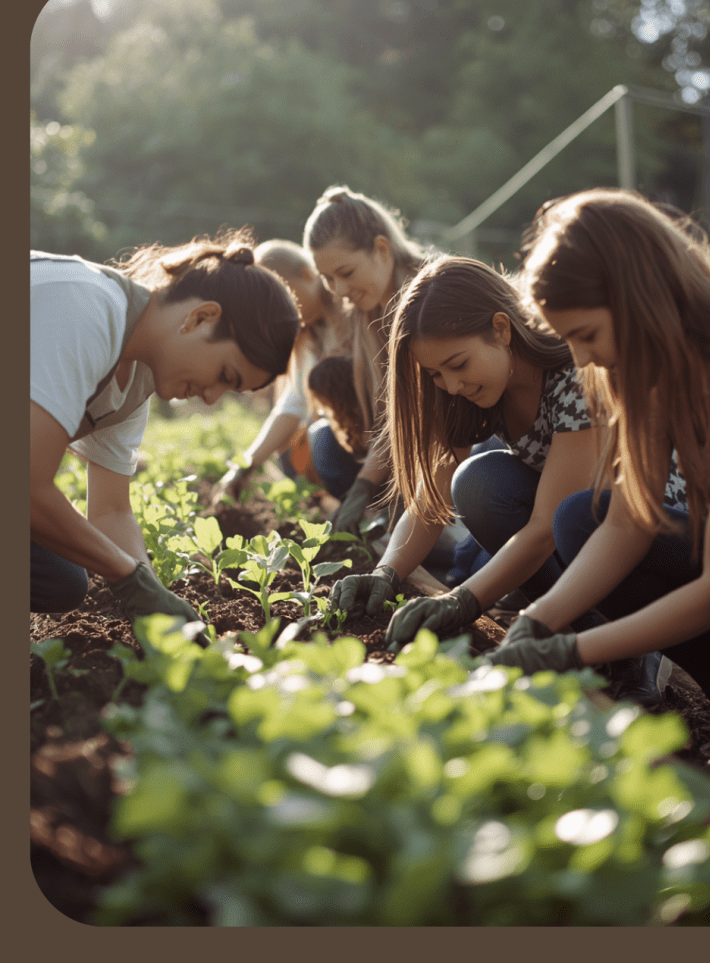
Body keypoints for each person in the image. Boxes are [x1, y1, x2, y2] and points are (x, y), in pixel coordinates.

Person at [484, 189, 710, 744]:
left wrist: (570, 651)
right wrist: (538, 620)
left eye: (587, 335)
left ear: (638, 298)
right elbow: (627, 523)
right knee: (584, 518)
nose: (579, 359)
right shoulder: (652, 372)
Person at [327, 256, 661, 697]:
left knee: (558, 511)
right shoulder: (471, 390)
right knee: (479, 483)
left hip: (645, 532)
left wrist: (463, 600)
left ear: (501, 330)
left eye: (458, 364)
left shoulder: (574, 375)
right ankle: (582, 627)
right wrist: (387, 573)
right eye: (435, 375)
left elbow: (545, 528)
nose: (450, 385)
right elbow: (431, 500)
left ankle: (637, 643)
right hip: (578, 528)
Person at [30, 231, 301, 639]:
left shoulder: (135, 381)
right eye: (225, 376)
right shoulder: (87, 310)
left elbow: (110, 512)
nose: (211, 399)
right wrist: (126, 576)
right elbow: (25, 485)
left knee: (59, 580)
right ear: (200, 318)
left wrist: (154, 598)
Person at [302, 185, 430, 532]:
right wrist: (364, 487)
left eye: (345, 273)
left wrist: (366, 485)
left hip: (465, 448)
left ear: (381, 249)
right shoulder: (366, 312)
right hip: (415, 451)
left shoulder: (431, 296)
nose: (339, 291)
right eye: (328, 279)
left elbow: (425, 417)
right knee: (325, 441)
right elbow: (391, 412)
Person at [211, 239, 348, 502]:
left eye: (286, 295)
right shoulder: (307, 338)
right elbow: (292, 404)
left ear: (308, 274)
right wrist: (245, 466)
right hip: (334, 442)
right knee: (293, 453)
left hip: (361, 442)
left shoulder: (351, 320)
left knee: (323, 440)